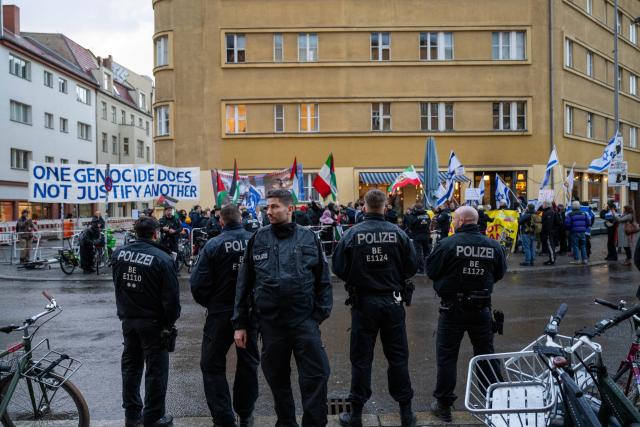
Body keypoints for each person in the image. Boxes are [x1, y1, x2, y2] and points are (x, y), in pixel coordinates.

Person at [233, 189, 332, 427]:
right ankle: (286, 422)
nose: (269, 212)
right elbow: (244, 283)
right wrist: (240, 324)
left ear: (290, 209)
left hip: (303, 321)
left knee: (316, 375)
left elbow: (323, 280)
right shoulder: (258, 238)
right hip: (271, 323)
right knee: (277, 378)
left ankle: (314, 423)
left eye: (275, 207)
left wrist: (318, 314)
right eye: (267, 207)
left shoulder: (309, 238)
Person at [332, 189, 418, 427]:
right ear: (385, 207)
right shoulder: (399, 233)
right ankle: (406, 414)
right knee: (398, 356)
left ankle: (356, 414)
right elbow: (412, 266)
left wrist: (359, 277)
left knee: (361, 359)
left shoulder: (352, 234)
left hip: (364, 302)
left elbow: (338, 267)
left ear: (363, 207)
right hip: (393, 300)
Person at [426, 206, 507, 422]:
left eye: (454, 219)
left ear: (461, 221)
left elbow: (431, 271)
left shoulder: (447, 244)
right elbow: (499, 272)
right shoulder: (493, 245)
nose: (452, 222)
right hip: (481, 309)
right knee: (485, 356)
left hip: (452, 309)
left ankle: (444, 405)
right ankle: (495, 403)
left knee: (447, 357)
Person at [190, 205, 259, 427]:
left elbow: (198, 284)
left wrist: (212, 302)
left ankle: (223, 419)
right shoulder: (255, 241)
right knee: (248, 363)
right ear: (242, 219)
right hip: (249, 313)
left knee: (212, 365)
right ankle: (245, 414)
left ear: (221, 221)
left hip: (220, 313)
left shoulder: (213, 244)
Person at [111, 216, 181, 427]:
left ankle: (132, 416)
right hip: (153, 324)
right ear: (155, 233)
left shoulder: (118, 254)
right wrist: (169, 323)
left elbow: (118, 286)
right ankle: (153, 418)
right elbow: (171, 300)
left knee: (131, 368)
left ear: (135, 232)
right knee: (156, 371)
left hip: (129, 320)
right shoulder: (163, 258)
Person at [407, 203, 430, 274]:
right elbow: (429, 223)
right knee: (427, 252)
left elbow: (410, 225)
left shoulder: (413, 215)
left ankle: (421, 269)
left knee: (418, 253)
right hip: (426, 236)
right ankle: (428, 268)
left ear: (415, 208)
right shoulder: (427, 215)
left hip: (417, 236)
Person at [564, 201, 590, 265]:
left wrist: (569, 229)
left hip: (574, 232)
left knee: (575, 246)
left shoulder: (570, 214)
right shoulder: (584, 213)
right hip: (583, 232)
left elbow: (567, 224)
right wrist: (584, 228)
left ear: (572, 207)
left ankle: (577, 260)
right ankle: (585, 260)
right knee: (583, 246)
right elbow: (588, 223)